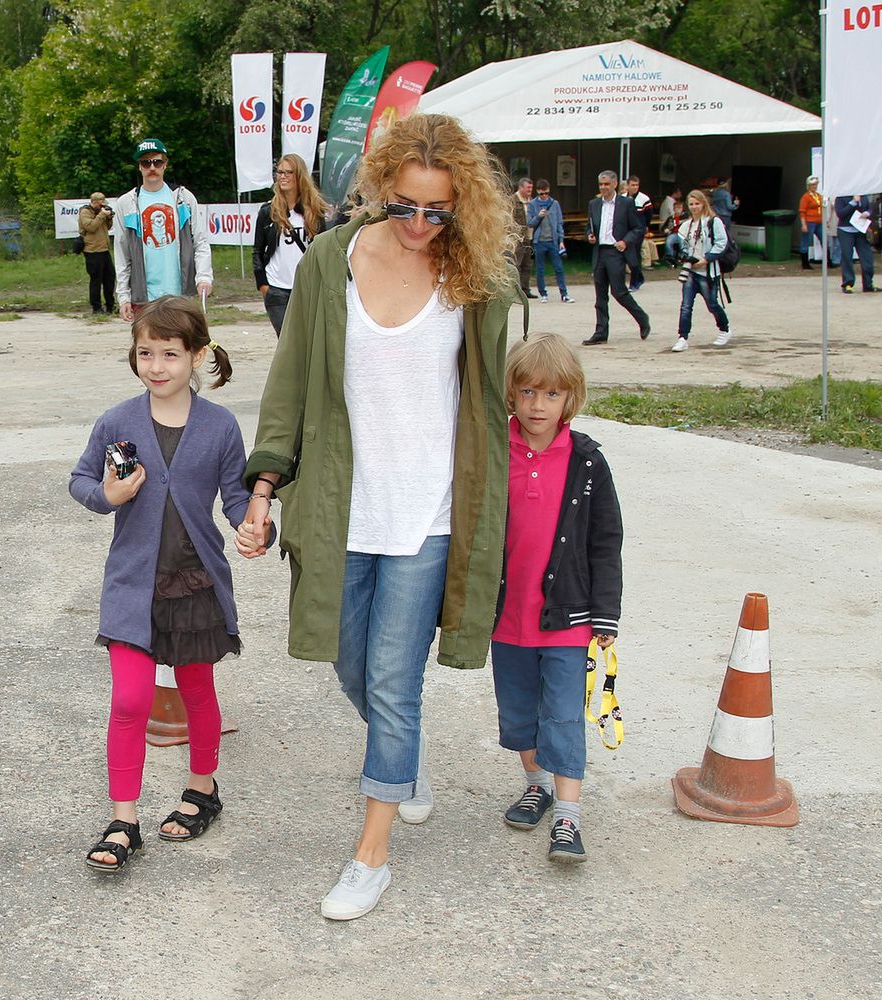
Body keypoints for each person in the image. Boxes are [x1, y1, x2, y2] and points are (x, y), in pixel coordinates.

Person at [235, 112, 519, 921]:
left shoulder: (473, 278)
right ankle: (404, 762)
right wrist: (263, 488)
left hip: (428, 513)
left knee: (394, 685)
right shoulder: (332, 260)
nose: (422, 226)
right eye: (406, 207)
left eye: (441, 212)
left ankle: (372, 853)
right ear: (379, 189)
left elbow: (490, 398)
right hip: (339, 509)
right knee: (348, 664)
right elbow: (290, 387)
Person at [69, 296, 260, 873]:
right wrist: (110, 496)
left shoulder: (221, 426)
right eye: (145, 352)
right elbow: (80, 480)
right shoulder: (119, 421)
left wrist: (254, 524)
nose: (156, 365)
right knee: (130, 699)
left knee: (196, 690)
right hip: (133, 583)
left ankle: (203, 789)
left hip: (195, 581)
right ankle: (124, 819)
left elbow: (234, 498)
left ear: (198, 357)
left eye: (170, 354)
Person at [492, 333, 622, 865]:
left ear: (571, 397)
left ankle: (568, 818)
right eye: (526, 393)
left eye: (551, 395)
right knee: (519, 711)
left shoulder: (587, 462)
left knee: (563, 715)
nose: (537, 406)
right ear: (511, 395)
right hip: (506, 619)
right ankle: (536, 782)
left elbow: (605, 540)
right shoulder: (494, 451)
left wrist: (606, 614)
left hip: (567, 617)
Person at [114, 138, 213, 321]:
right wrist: (123, 296)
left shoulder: (183, 198)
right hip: (144, 297)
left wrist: (204, 277)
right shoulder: (126, 203)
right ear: (140, 167)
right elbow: (122, 253)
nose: (152, 167)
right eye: (146, 162)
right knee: (148, 347)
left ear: (165, 165)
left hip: (180, 295)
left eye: (157, 162)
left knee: (179, 346)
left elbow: (200, 241)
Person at [252, 153, 330, 335]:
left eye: (288, 172)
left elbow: (324, 250)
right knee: (286, 342)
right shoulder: (268, 211)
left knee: (306, 339)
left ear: (299, 175)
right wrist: (263, 284)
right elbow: (257, 250)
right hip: (276, 288)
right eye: (280, 172)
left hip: (306, 287)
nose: (283, 177)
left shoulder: (313, 212)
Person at [583, 170, 650, 346]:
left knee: (619, 292)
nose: (603, 187)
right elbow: (589, 226)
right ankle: (601, 331)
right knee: (600, 296)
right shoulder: (594, 204)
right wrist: (590, 235)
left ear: (614, 184)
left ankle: (642, 318)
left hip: (615, 251)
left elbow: (638, 228)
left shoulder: (626, 203)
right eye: (601, 184)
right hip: (600, 251)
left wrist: (625, 241)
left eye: (606, 184)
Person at [669, 189, 732, 352]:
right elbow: (682, 246)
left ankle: (724, 329)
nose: (694, 207)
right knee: (686, 305)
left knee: (712, 304)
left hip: (708, 271)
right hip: (690, 271)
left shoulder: (713, 221)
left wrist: (706, 259)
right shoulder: (685, 225)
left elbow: (722, 243)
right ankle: (682, 337)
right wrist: (680, 257)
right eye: (691, 204)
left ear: (703, 203)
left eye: (697, 203)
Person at [527, 179, 570, 303]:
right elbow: (530, 223)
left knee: (559, 268)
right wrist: (539, 215)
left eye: (546, 193)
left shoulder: (554, 204)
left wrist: (561, 240)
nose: (544, 196)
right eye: (541, 194)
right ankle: (543, 293)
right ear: (538, 192)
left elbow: (559, 223)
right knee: (540, 269)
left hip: (553, 241)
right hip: (539, 241)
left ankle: (564, 293)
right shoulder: (532, 204)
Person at [835, 194, 882, 294]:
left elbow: (869, 209)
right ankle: (848, 283)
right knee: (847, 256)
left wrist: (867, 213)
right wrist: (853, 203)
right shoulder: (841, 197)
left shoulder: (864, 196)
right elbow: (840, 214)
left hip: (860, 230)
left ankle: (868, 284)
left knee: (867, 257)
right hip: (845, 230)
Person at [79, 192, 116, 314]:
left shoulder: (101, 212)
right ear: (94, 202)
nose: (102, 207)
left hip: (104, 250)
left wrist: (109, 217)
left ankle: (110, 305)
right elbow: (91, 227)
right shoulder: (85, 212)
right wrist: (101, 215)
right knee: (96, 280)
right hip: (92, 251)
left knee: (109, 278)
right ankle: (96, 307)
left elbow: (108, 227)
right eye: (100, 205)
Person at [624, 176, 653, 291]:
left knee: (635, 255)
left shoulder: (644, 199)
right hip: (626, 231)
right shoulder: (623, 198)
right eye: (632, 185)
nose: (635, 187)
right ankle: (639, 277)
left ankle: (634, 282)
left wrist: (645, 226)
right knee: (627, 255)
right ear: (627, 186)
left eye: (637, 185)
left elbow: (649, 214)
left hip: (639, 230)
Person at [513, 176, 537, 299]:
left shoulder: (532, 201)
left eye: (531, 188)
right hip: (518, 238)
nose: (530, 190)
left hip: (530, 237)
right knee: (516, 264)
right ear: (520, 187)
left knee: (528, 265)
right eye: (528, 187)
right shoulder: (513, 200)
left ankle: (525, 290)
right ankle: (515, 291)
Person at [798, 177, 824, 271]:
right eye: (813, 185)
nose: (815, 186)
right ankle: (805, 263)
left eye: (816, 184)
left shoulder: (818, 195)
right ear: (808, 186)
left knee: (824, 240)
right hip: (810, 221)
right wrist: (804, 224)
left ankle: (828, 261)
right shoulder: (805, 197)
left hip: (819, 221)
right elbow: (802, 211)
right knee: (806, 241)